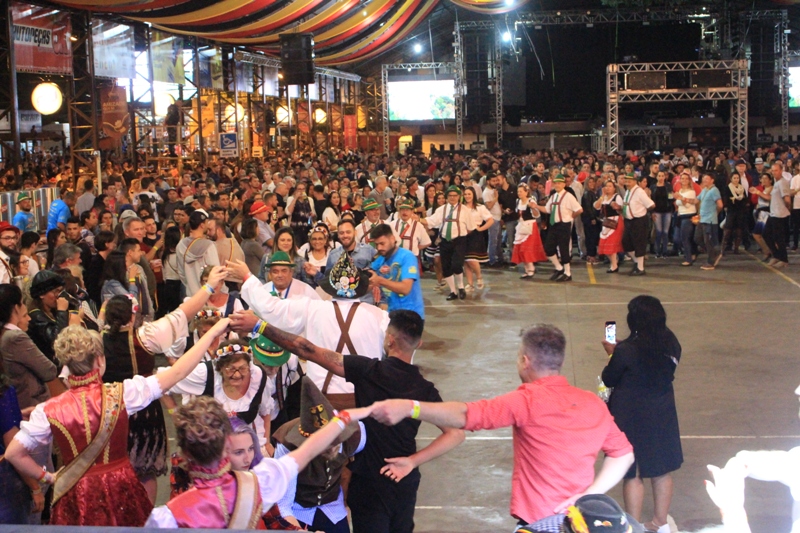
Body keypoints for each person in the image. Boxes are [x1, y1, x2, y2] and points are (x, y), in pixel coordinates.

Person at [369, 323, 634, 528]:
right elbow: (623, 453)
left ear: (525, 361)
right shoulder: (591, 403)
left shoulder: (526, 401)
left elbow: (466, 414)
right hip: (580, 522)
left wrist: (411, 407)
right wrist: (587, 496)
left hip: (539, 522)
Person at [4, 317, 231, 526]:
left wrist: (49, 477)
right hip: (122, 487)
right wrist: (212, 333)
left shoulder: (47, 410)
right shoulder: (123, 393)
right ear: (100, 360)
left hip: (76, 491)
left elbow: (14, 454)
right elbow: (178, 372)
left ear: (66, 367)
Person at [253, 310, 464, 533]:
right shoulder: (424, 389)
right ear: (419, 344)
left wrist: (259, 326)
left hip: (369, 482)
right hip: (404, 481)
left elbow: (306, 348)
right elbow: (456, 433)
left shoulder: (368, 371)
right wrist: (412, 461)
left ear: (390, 339)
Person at [145, 396, 373, 529]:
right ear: (227, 445)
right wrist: (348, 417)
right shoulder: (260, 482)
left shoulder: (168, 516)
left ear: (184, 453)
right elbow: (307, 451)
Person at [101, 267, 227, 502]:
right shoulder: (145, 337)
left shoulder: (96, 342)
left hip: (109, 413)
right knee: (146, 468)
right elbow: (182, 313)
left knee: (113, 467)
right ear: (132, 317)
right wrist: (208, 286)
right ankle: (146, 517)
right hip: (144, 412)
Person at [228, 251, 388, 412]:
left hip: (322, 402)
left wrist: (248, 277)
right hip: (366, 400)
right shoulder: (380, 317)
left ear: (330, 287)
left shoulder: (312, 309)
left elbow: (271, 308)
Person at [601, 295, 683, 533]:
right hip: (663, 410)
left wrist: (612, 354)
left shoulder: (627, 349)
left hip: (631, 413)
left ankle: (634, 526)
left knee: (633, 471)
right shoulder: (671, 342)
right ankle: (660, 522)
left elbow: (609, 378)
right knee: (660, 468)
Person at [274, 378, 366, 533]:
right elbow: (283, 504)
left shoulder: (357, 435)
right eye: (323, 446)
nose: (330, 449)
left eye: (334, 441)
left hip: (333, 508)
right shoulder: (288, 446)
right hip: (298, 509)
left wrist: (349, 502)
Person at [420, 186, 475, 300]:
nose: (452, 198)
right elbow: (432, 221)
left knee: (456, 264)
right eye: (450, 195)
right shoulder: (441, 210)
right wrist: (419, 219)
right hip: (445, 241)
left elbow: (470, 227)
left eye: (455, 196)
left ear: (459, 197)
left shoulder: (465, 210)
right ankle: (453, 291)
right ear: (447, 197)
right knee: (446, 266)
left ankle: (460, 287)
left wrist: (461, 234)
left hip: (459, 240)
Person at [307, 219, 377, 304]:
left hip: (365, 302)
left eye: (348, 232)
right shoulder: (333, 255)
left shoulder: (368, 251)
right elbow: (329, 282)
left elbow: (379, 274)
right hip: (341, 304)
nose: (345, 235)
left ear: (355, 232)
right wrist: (316, 273)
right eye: (341, 233)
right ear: (338, 235)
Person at [368, 224, 425, 320]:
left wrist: (380, 281)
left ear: (392, 239)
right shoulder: (379, 260)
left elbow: (406, 288)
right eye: (376, 244)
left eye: (382, 243)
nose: (379, 248)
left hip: (411, 315)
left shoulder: (407, 257)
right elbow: (369, 282)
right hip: (391, 314)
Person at [535, 175, 583, 282]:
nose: (557, 185)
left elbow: (579, 209)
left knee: (563, 249)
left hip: (564, 225)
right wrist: (536, 206)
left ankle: (568, 272)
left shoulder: (569, 196)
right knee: (548, 248)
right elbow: (547, 209)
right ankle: (559, 268)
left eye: (559, 183)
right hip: (554, 225)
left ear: (564, 184)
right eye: (555, 183)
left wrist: (570, 217)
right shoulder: (553, 196)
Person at [27, 270, 79, 365]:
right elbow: (57, 339)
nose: (59, 296)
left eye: (61, 291)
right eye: (56, 292)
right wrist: (62, 311)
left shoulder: (52, 311)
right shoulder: (35, 316)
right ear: (41, 294)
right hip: (47, 366)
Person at [618, 174, 655, 276]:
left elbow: (651, 204)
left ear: (635, 181)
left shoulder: (639, 192)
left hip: (639, 220)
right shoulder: (628, 192)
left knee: (639, 243)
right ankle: (637, 262)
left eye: (630, 180)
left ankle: (640, 267)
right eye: (626, 180)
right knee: (626, 243)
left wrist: (642, 212)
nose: (627, 182)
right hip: (628, 220)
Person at [176, 210, 220, 296]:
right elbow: (215, 271)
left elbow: (181, 272)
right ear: (202, 225)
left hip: (190, 296)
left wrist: (191, 285)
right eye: (207, 222)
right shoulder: (208, 245)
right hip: (207, 295)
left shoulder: (181, 244)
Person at [511, 183, 547, 279]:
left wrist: (533, 207)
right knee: (521, 250)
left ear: (526, 192)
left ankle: (531, 269)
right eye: (518, 191)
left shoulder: (531, 200)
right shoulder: (518, 201)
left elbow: (536, 215)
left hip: (530, 227)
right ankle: (527, 270)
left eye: (521, 191)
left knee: (526, 249)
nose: (519, 193)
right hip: (521, 227)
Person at [462, 187, 493, 291]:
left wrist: (481, 229)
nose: (467, 196)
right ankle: (470, 284)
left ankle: (479, 277)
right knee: (466, 261)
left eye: (469, 194)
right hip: (463, 234)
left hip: (475, 235)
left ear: (473, 195)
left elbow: (490, 220)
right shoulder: (461, 207)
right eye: (465, 194)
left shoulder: (480, 207)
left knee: (472, 259)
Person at [763, 162, 791, 268]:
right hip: (773, 213)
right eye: (773, 170)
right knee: (766, 234)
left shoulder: (782, 182)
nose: (774, 172)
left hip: (779, 214)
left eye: (776, 170)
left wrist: (787, 207)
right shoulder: (776, 182)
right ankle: (776, 255)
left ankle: (784, 259)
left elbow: (787, 198)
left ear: (781, 171)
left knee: (778, 237)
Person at [694, 174, 724, 271]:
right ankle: (714, 253)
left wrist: (715, 213)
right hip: (702, 219)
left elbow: (720, 205)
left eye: (707, 179)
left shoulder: (714, 190)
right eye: (703, 179)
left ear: (712, 180)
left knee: (708, 241)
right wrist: (682, 198)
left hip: (710, 220)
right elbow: (696, 200)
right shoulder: (705, 190)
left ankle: (711, 261)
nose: (704, 180)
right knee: (697, 238)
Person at [595, 180, 625, 273]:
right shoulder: (604, 198)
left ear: (614, 188)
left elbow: (621, 209)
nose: (608, 188)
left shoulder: (617, 197)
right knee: (604, 244)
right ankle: (614, 262)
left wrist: (617, 207)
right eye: (606, 186)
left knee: (611, 244)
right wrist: (602, 196)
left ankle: (614, 265)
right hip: (607, 223)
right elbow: (596, 206)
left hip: (616, 222)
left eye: (610, 186)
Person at [674, 173, 698, 267]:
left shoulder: (691, 192)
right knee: (677, 238)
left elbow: (688, 205)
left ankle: (688, 259)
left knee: (685, 238)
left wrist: (681, 198)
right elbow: (678, 204)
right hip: (681, 216)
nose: (683, 180)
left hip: (688, 216)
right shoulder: (680, 190)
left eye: (685, 178)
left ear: (689, 180)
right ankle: (691, 254)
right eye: (682, 178)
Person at [722, 173, 749, 255]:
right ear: (731, 179)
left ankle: (736, 248)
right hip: (731, 211)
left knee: (739, 231)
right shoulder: (728, 188)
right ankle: (723, 249)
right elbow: (726, 199)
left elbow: (745, 199)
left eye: (737, 178)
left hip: (740, 212)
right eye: (734, 178)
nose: (736, 179)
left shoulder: (741, 188)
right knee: (728, 230)